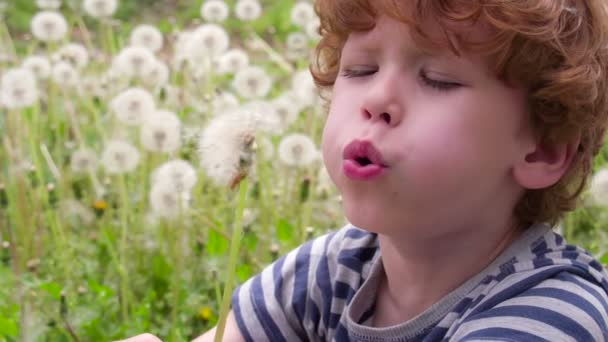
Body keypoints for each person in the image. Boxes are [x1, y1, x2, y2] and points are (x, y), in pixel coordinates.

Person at [124, 0, 608, 340]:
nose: (378, 100)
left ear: (542, 150)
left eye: (437, 79)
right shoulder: (332, 268)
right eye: (359, 71)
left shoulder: (553, 313)